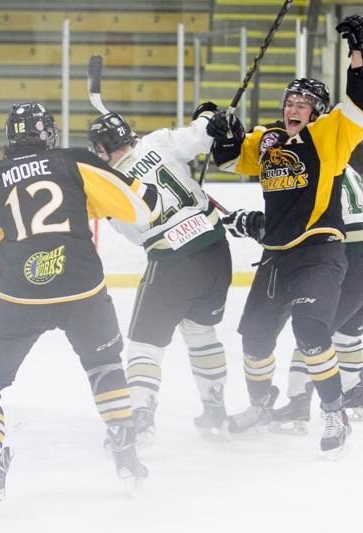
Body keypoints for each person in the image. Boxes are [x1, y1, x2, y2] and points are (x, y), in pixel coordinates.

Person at [0, 102, 160, 516]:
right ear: (49, 135)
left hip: (19, 298)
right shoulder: (74, 162)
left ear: (9, 137)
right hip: (83, 291)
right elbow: (138, 206)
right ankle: (126, 449)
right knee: (106, 366)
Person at [208, 14, 363, 457]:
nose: (294, 107)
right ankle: (262, 406)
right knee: (254, 340)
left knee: (310, 331)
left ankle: (335, 411)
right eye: (290, 101)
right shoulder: (267, 141)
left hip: (319, 251)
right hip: (275, 256)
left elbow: (361, 103)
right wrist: (220, 129)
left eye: (303, 103)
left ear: (317, 112)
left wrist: (358, 56)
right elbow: (229, 159)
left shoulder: (328, 138)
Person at [86, 104, 232, 444]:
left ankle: (140, 417)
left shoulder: (110, 185)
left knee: (144, 345)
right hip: (216, 252)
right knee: (202, 333)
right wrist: (210, 114)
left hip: (172, 263)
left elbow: (137, 235)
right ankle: (215, 410)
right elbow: (202, 134)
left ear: (102, 150)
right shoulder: (159, 141)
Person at [270, 164, 363, 433]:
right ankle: (354, 395)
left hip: (356, 253)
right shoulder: (341, 159)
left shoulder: (309, 164)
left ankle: (298, 402)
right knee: (348, 331)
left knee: (312, 330)